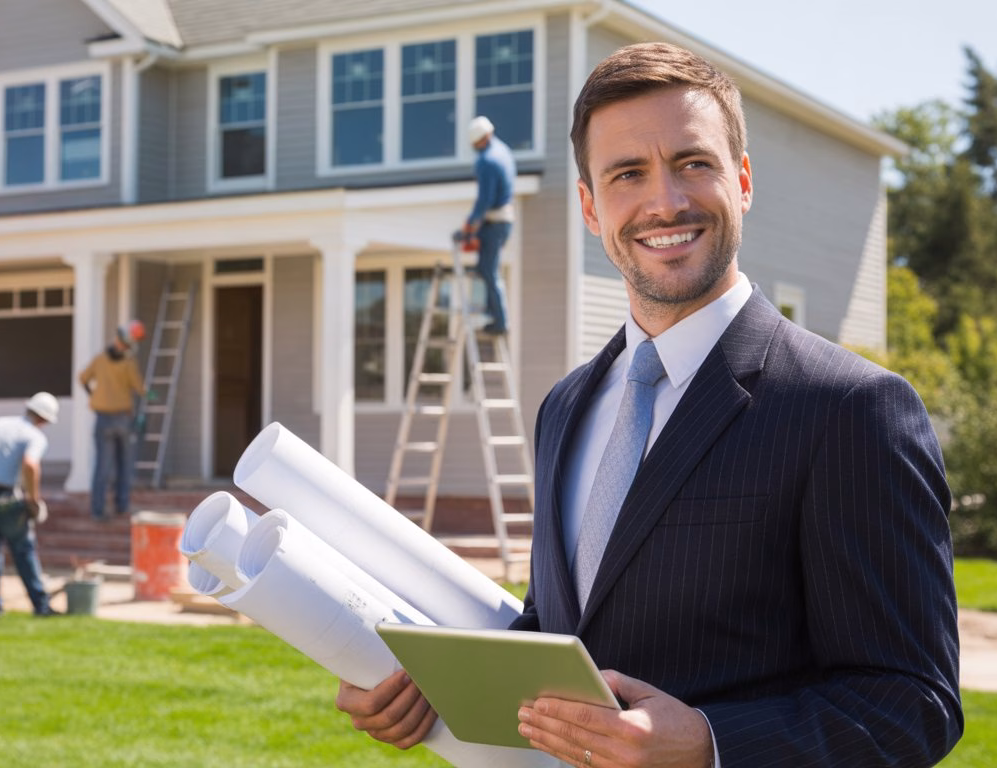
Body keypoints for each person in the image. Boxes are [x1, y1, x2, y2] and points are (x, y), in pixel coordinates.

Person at [337, 42, 963, 766]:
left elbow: (914, 701)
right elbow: (564, 628)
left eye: (693, 163)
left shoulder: (852, 409)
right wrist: (434, 686)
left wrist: (711, 743)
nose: (664, 201)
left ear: (744, 180)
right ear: (590, 207)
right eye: (627, 174)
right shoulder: (565, 408)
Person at [0, 391, 59, 617]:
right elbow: (30, 465)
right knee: (23, 548)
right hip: (6, 496)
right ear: (44, 420)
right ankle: (41, 605)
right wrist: (33, 499)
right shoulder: (33, 436)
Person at [78, 321, 146, 520]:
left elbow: (82, 378)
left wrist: (93, 395)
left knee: (102, 466)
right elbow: (140, 389)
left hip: (102, 418)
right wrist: (151, 394)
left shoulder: (100, 360)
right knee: (124, 463)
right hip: (123, 418)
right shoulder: (128, 363)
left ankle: (98, 510)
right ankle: (122, 505)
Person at [463, 115, 517, 336]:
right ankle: (490, 311)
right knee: (486, 268)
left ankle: (500, 321)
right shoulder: (503, 151)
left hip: (494, 222)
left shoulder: (487, 160)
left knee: (489, 270)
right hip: (503, 221)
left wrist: (471, 224)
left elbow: (485, 200)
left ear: (479, 140)